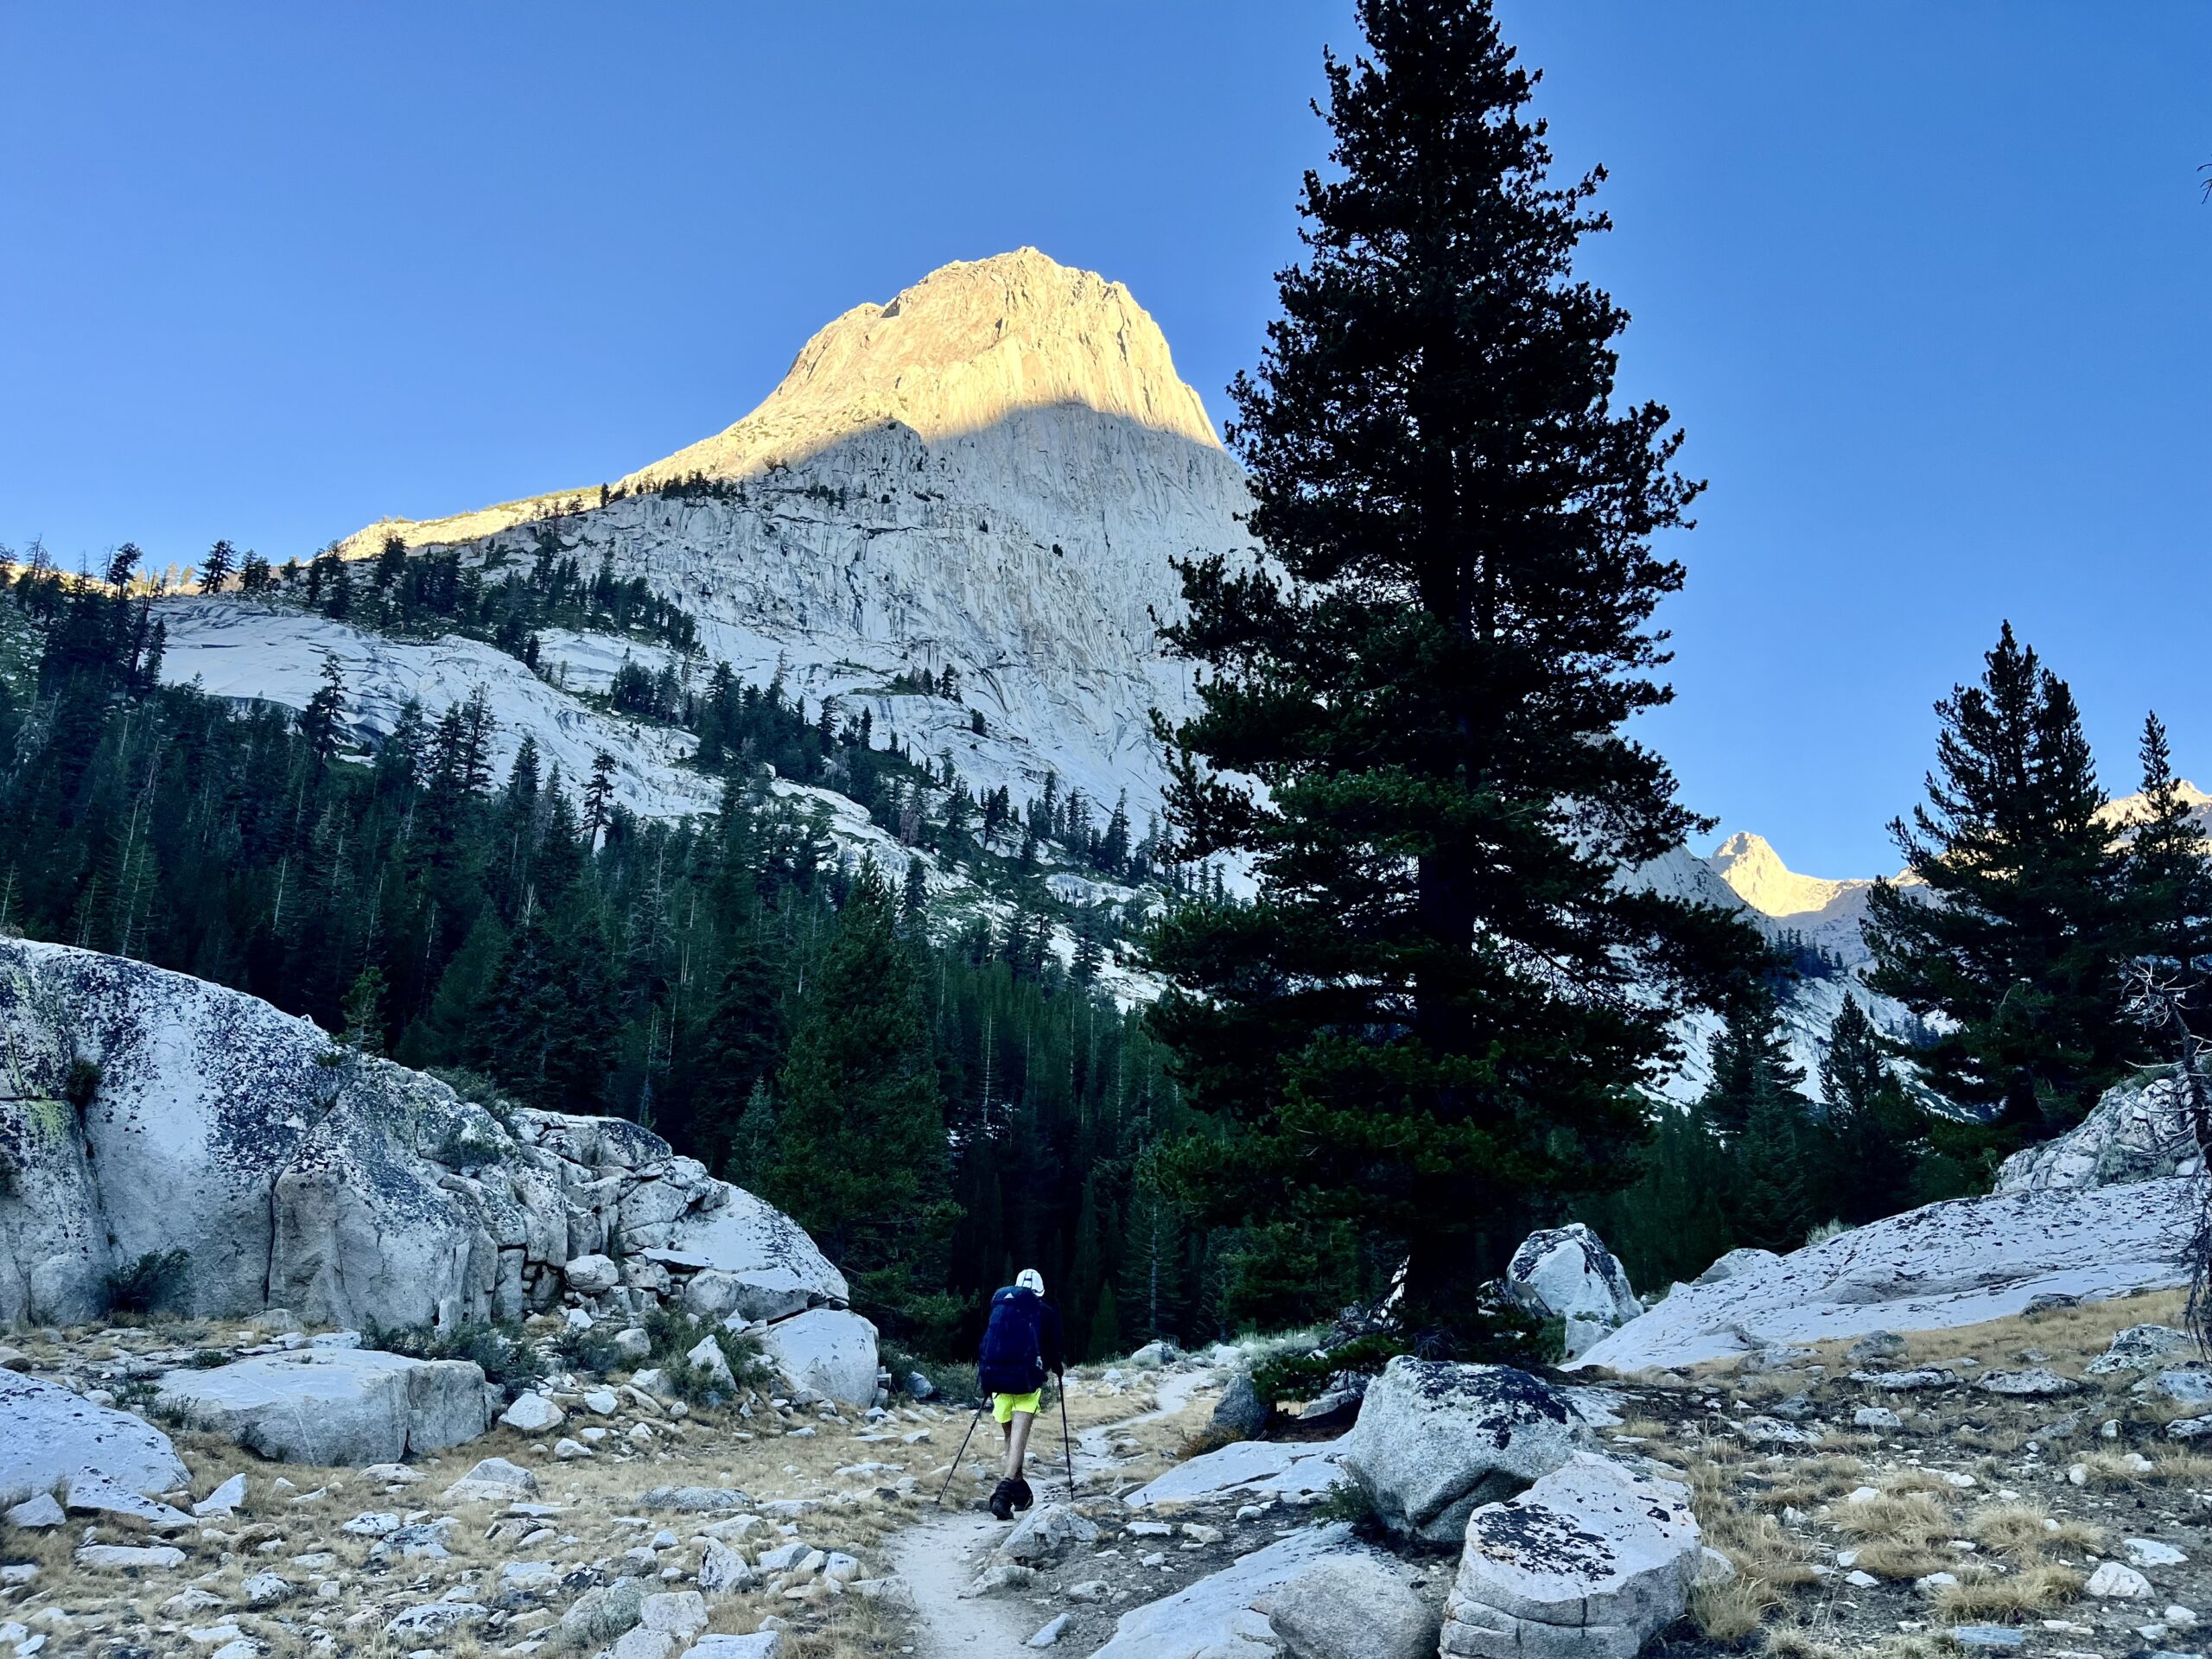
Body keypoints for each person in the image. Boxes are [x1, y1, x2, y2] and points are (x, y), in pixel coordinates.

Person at [976, 1267, 1064, 1521]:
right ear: (1040, 1290)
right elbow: (1054, 1349)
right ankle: (1003, 1493)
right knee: (1018, 1440)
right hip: (1025, 1383)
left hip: (997, 1381)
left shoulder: (1002, 1307)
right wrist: (1056, 1368)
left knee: (1010, 1440)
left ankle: (1020, 1490)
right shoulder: (1043, 1311)